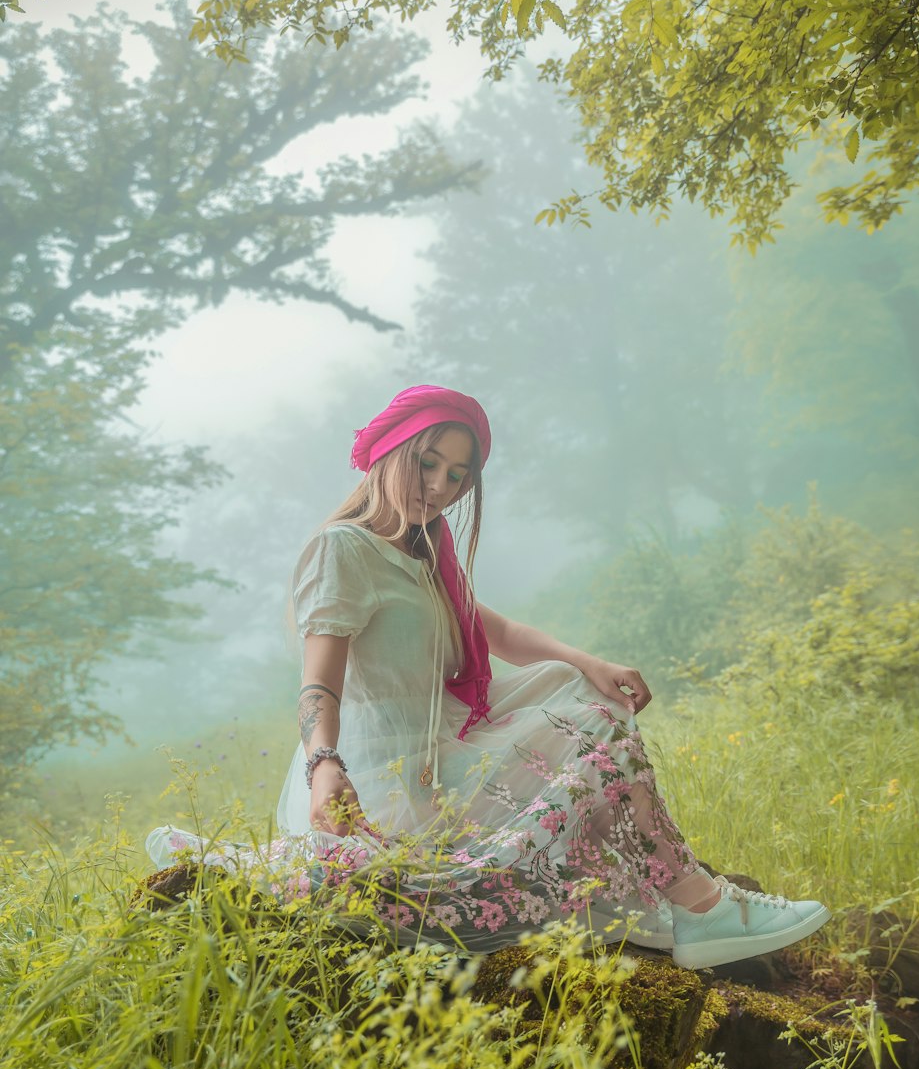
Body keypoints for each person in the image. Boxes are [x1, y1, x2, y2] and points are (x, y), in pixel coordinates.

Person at [147, 385, 830, 968]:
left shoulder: (425, 546)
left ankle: (678, 898)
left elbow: (487, 626)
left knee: (586, 693)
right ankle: (699, 904)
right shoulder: (343, 549)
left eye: (458, 475)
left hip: (439, 749)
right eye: (428, 464)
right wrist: (324, 763)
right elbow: (318, 684)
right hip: (385, 775)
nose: (440, 487)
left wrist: (588, 661)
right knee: (591, 732)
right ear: (391, 451)